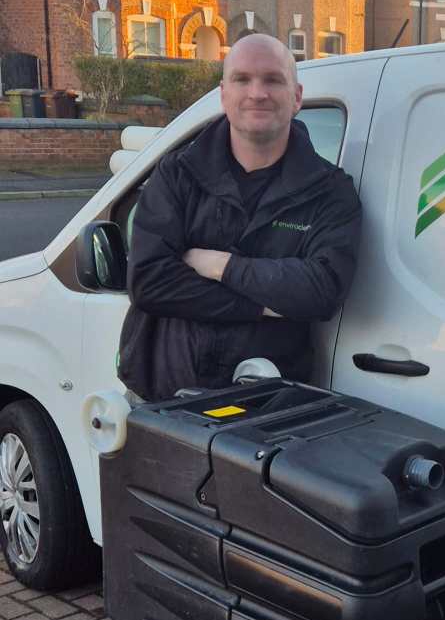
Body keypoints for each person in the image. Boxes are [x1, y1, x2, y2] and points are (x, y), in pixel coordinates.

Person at [117, 34, 361, 401]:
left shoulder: (330, 191)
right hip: (161, 399)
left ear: (296, 97)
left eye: (273, 80)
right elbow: (150, 280)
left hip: (269, 407)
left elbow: (321, 291)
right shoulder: (178, 173)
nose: (257, 92)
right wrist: (264, 304)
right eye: (242, 79)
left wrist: (221, 265)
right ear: (224, 94)